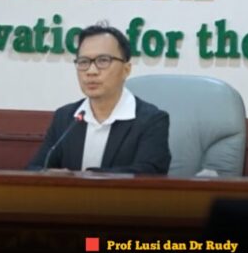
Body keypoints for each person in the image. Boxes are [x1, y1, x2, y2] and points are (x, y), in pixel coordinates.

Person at [27, 23, 170, 174]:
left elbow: (150, 173)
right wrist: (46, 174)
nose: (91, 71)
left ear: (126, 69)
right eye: (84, 62)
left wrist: (83, 177)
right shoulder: (65, 117)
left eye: (103, 61)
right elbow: (35, 168)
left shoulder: (151, 120)